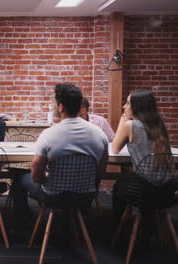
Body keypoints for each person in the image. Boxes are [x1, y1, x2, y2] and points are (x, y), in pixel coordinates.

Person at [11, 83, 108, 236]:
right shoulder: (99, 134)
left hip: (53, 196)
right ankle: (76, 222)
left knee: (18, 177)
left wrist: (46, 180)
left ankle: (23, 227)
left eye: (54, 104)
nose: (53, 106)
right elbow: (100, 172)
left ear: (61, 107)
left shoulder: (49, 134)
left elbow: (36, 175)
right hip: (85, 196)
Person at [111, 89, 176, 248]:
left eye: (127, 103)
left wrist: (123, 120)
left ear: (137, 107)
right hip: (168, 191)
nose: (124, 107)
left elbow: (115, 149)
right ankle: (150, 226)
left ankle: (117, 233)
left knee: (118, 186)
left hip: (145, 191)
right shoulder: (158, 124)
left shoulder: (130, 125)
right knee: (137, 181)